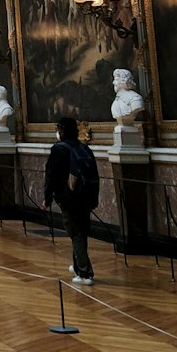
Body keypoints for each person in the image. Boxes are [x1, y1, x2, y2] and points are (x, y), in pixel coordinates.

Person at [44, 117, 99, 284]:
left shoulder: (59, 149)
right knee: (81, 231)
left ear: (61, 131)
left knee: (75, 233)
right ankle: (78, 266)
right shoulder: (84, 148)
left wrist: (47, 198)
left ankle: (84, 273)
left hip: (69, 198)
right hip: (86, 197)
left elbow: (50, 176)